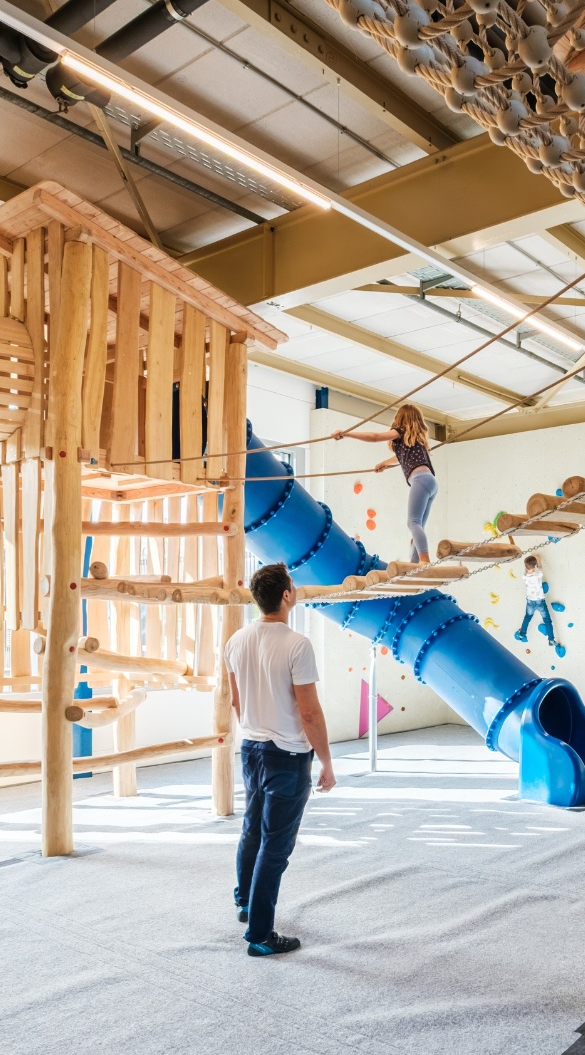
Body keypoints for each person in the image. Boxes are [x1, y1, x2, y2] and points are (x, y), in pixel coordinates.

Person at [226, 563, 336, 957]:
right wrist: (326, 761)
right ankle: (260, 935)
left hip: (251, 749)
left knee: (252, 830)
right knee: (276, 846)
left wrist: (257, 729)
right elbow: (309, 712)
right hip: (287, 756)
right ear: (286, 596)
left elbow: (237, 701)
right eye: (293, 585)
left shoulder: (236, 640)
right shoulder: (297, 644)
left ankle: (244, 902)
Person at [333, 404, 437, 562]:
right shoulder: (418, 441)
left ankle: (424, 560)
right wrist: (385, 463)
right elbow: (400, 458)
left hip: (420, 479)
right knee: (418, 525)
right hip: (431, 482)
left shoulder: (400, 431)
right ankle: (416, 563)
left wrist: (347, 434)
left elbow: (375, 437)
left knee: (413, 522)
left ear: (400, 418)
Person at [514, 554, 564, 656]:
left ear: (525, 567)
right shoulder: (538, 574)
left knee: (527, 618)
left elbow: (527, 570)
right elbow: (540, 567)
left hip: (530, 602)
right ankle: (551, 640)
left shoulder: (524, 576)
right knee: (547, 621)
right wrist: (539, 560)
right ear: (535, 566)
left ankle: (522, 635)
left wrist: (531, 563)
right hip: (540, 602)